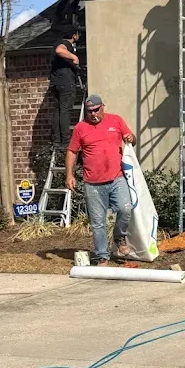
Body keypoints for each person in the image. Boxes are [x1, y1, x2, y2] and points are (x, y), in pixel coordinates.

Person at [65, 94, 136, 265]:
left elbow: (132, 139)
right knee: (98, 223)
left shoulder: (116, 121)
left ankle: (119, 237)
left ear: (103, 107)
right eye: (89, 111)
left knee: (125, 209)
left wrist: (130, 139)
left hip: (116, 178)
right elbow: (72, 152)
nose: (93, 114)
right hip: (93, 183)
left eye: (96, 110)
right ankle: (102, 255)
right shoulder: (80, 128)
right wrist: (69, 175)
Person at [50, 26, 81, 148]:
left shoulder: (57, 43)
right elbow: (59, 50)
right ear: (74, 35)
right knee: (65, 111)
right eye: (78, 34)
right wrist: (74, 57)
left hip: (56, 82)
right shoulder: (65, 44)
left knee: (58, 110)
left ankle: (57, 140)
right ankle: (65, 141)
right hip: (65, 82)